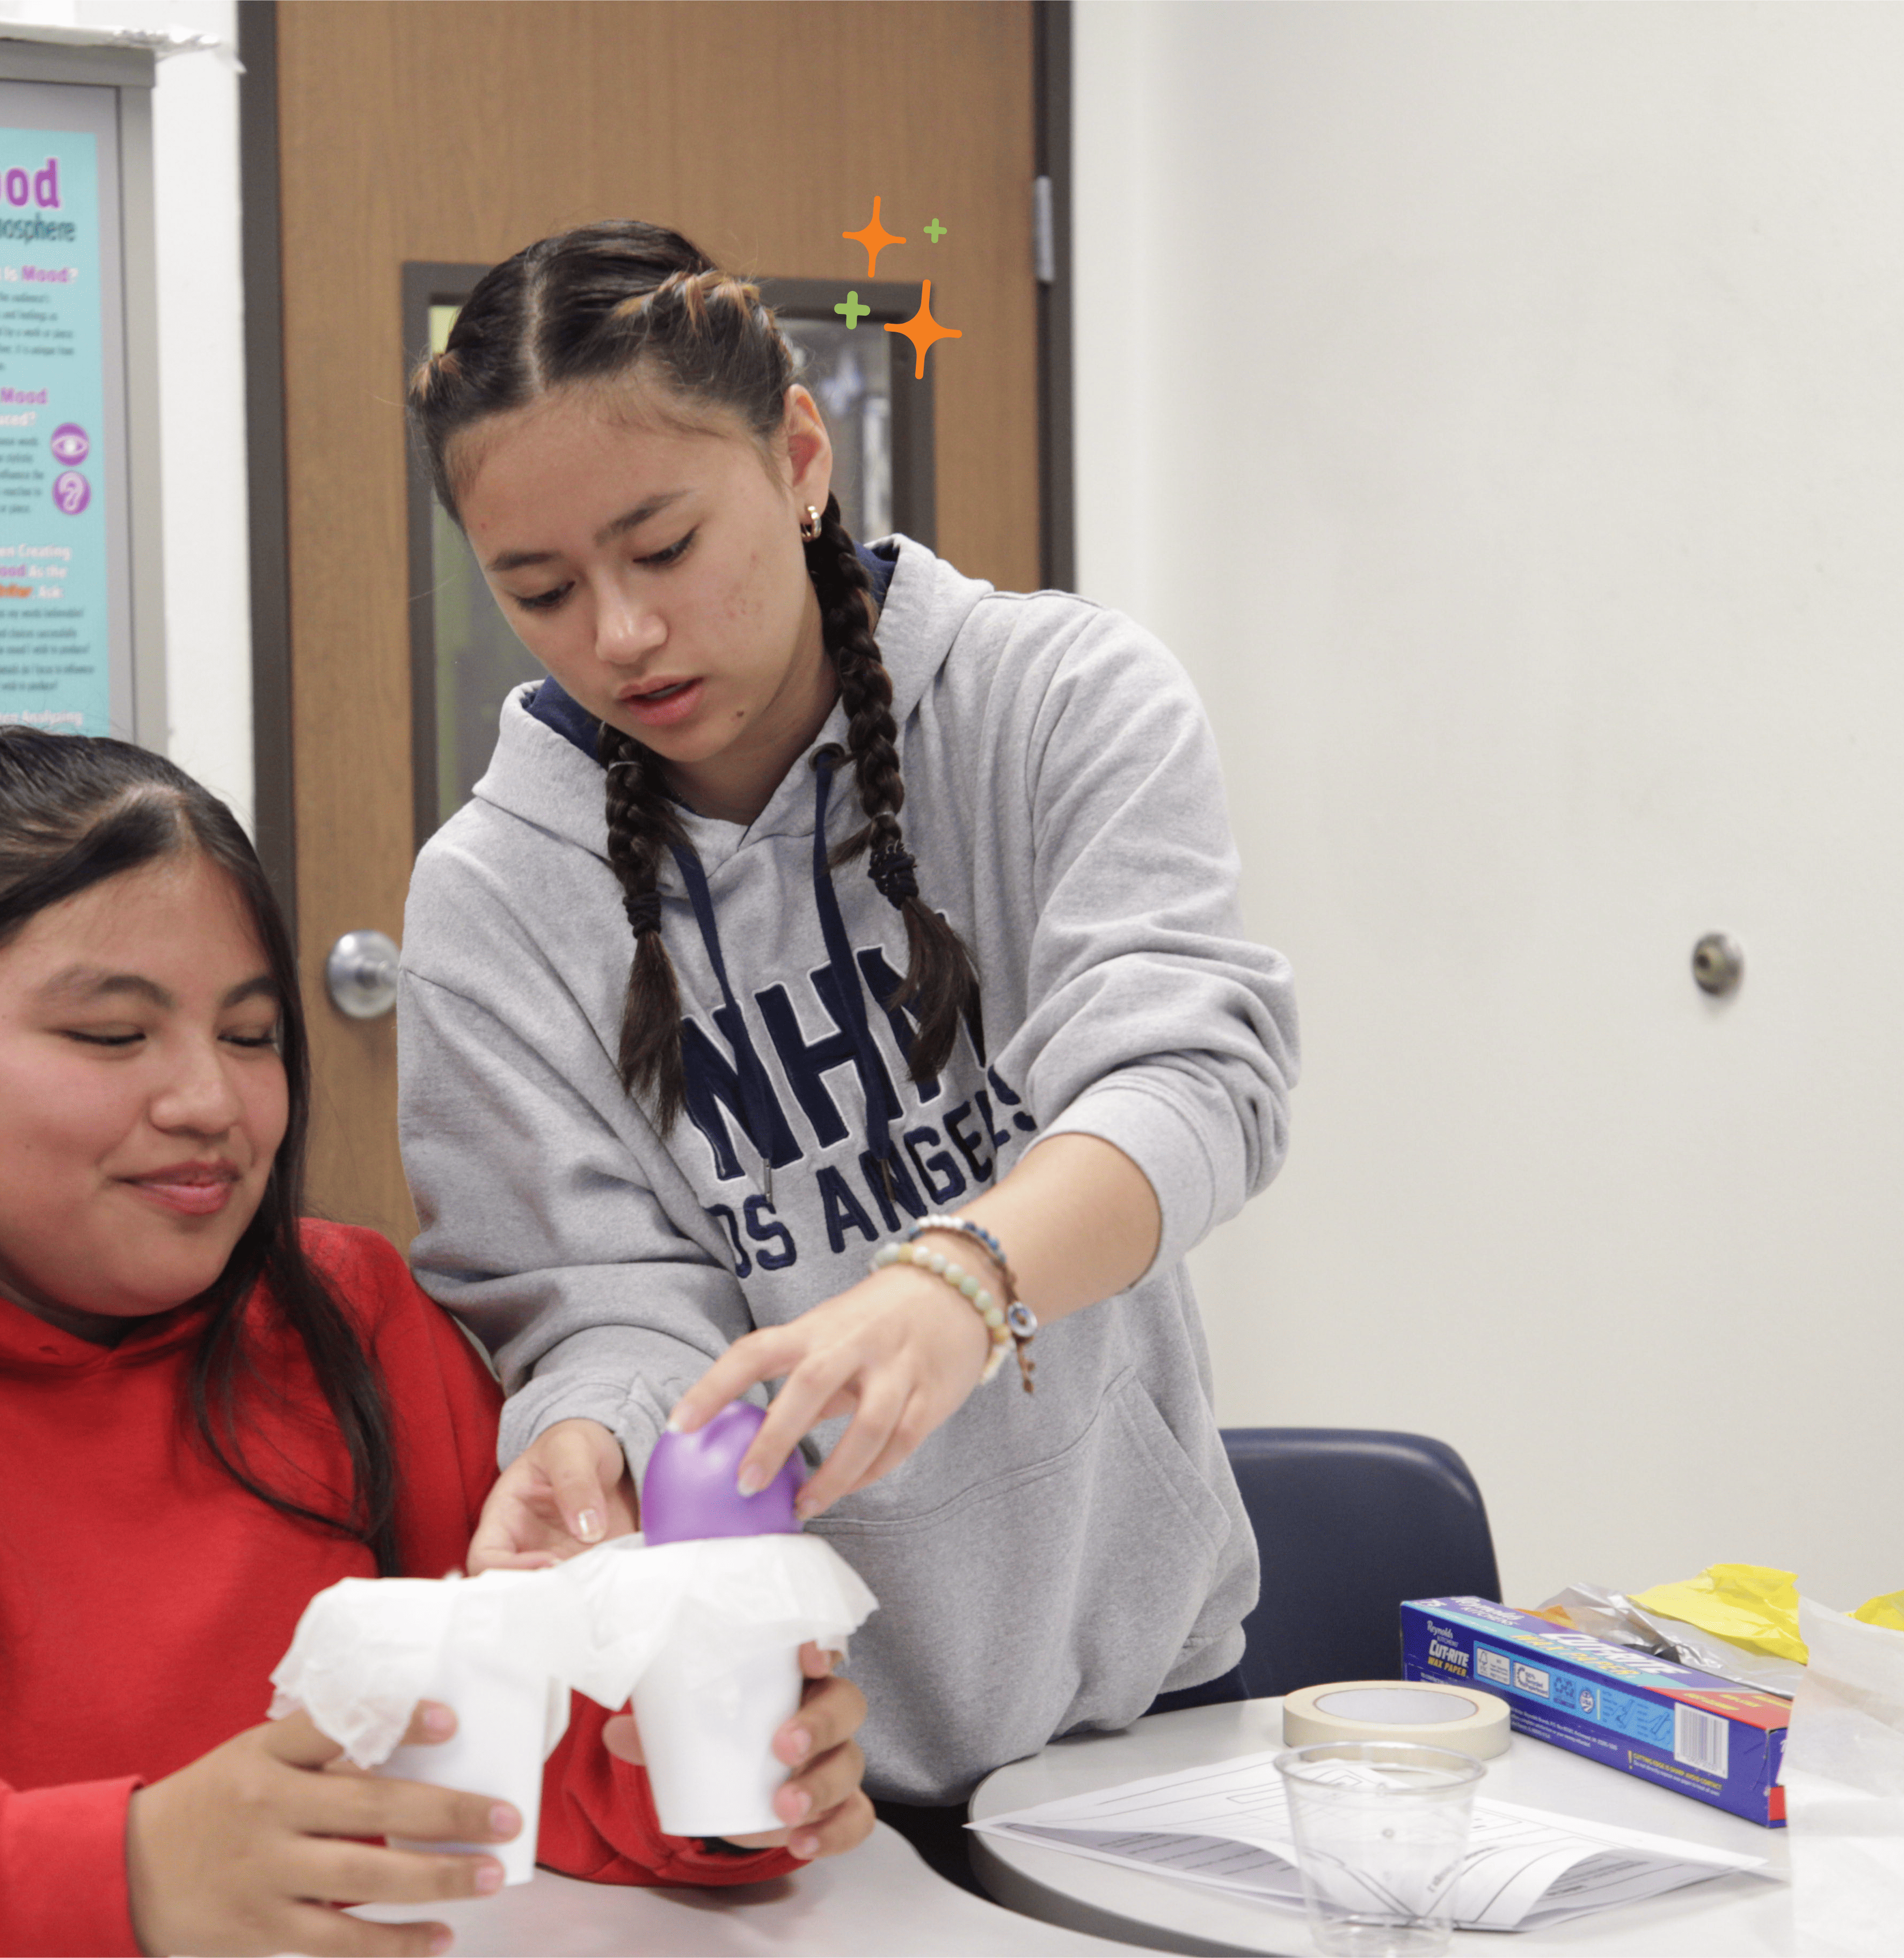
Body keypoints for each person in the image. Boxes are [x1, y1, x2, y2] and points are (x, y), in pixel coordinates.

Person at [0, 722, 873, 1957]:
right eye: (114, 1037)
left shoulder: (347, 1322)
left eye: (249, 1037)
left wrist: (705, 1781)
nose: (209, 1102)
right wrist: (127, 1872)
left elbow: (515, 1767)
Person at [396, 221, 1301, 1862]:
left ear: (800, 456)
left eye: (662, 547)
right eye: (540, 590)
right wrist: (586, 1436)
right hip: (790, 1762)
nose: (617, 637)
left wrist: (963, 1280)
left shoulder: (1054, 700)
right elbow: (602, 1305)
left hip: (1142, 1721)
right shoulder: (491, 904)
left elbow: (1194, 1077)